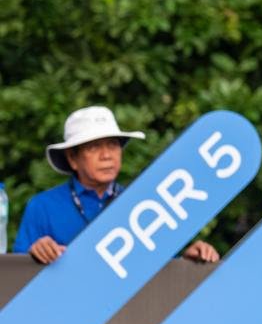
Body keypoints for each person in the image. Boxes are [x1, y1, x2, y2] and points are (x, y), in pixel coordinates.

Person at [13, 106, 220, 265]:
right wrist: (35, 253)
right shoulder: (42, 206)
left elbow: (159, 265)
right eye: (94, 147)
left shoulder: (143, 204)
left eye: (113, 145)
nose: (106, 156)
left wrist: (187, 257)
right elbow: (15, 273)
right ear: (72, 158)